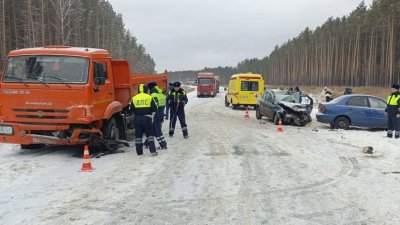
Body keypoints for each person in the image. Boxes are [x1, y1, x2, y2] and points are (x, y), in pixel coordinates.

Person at [129, 84, 158, 156]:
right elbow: (155, 108)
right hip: (147, 118)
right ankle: (153, 151)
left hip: (137, 119)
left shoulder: (134, 98)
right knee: (150, 135)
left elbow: (131, 109)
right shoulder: (149, 97)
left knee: (138, 136)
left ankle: (139, 152)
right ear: (145, 89)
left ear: (138, 90)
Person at [148, 82, 168, 149]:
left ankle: (163, 144)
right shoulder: (161, 94)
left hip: (156, 115)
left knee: (157, 131)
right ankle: (147, 143)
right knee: (154, 129)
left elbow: (153, 107)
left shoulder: (153, 95)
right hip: (161, 114)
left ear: (150, 88)